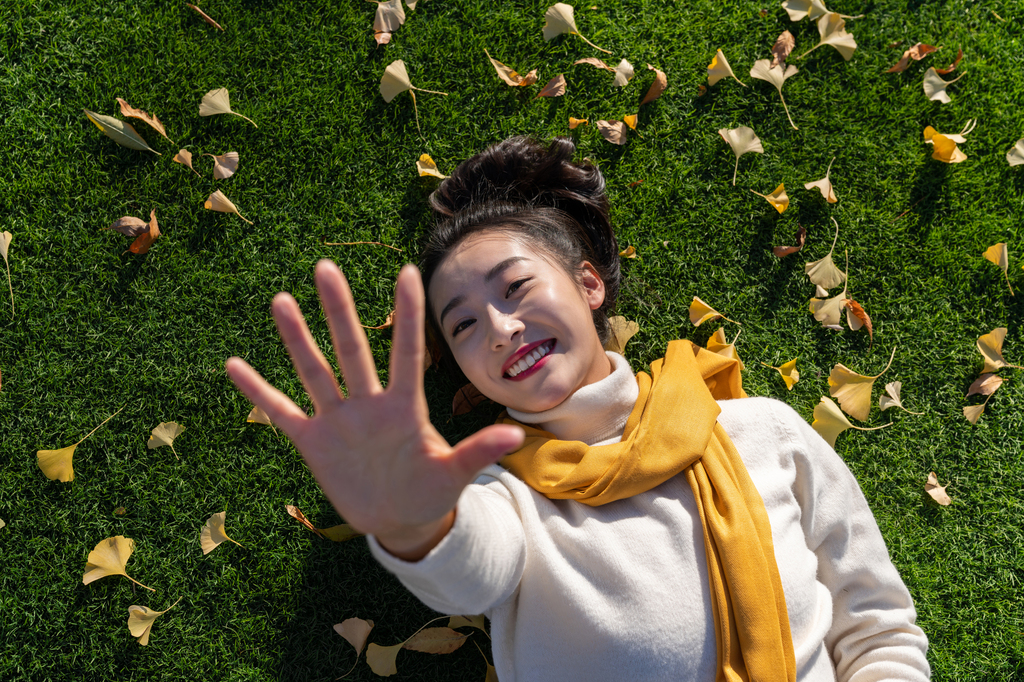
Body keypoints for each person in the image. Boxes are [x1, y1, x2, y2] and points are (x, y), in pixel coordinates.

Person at [225, 136, 930, 681]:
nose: (498, 328)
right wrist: (413, 521)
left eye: (515, 287)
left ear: (588, 282)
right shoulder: (504, 502)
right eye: (463, 325)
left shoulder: (762, 431)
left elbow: (878, 625)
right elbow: (471, 568)